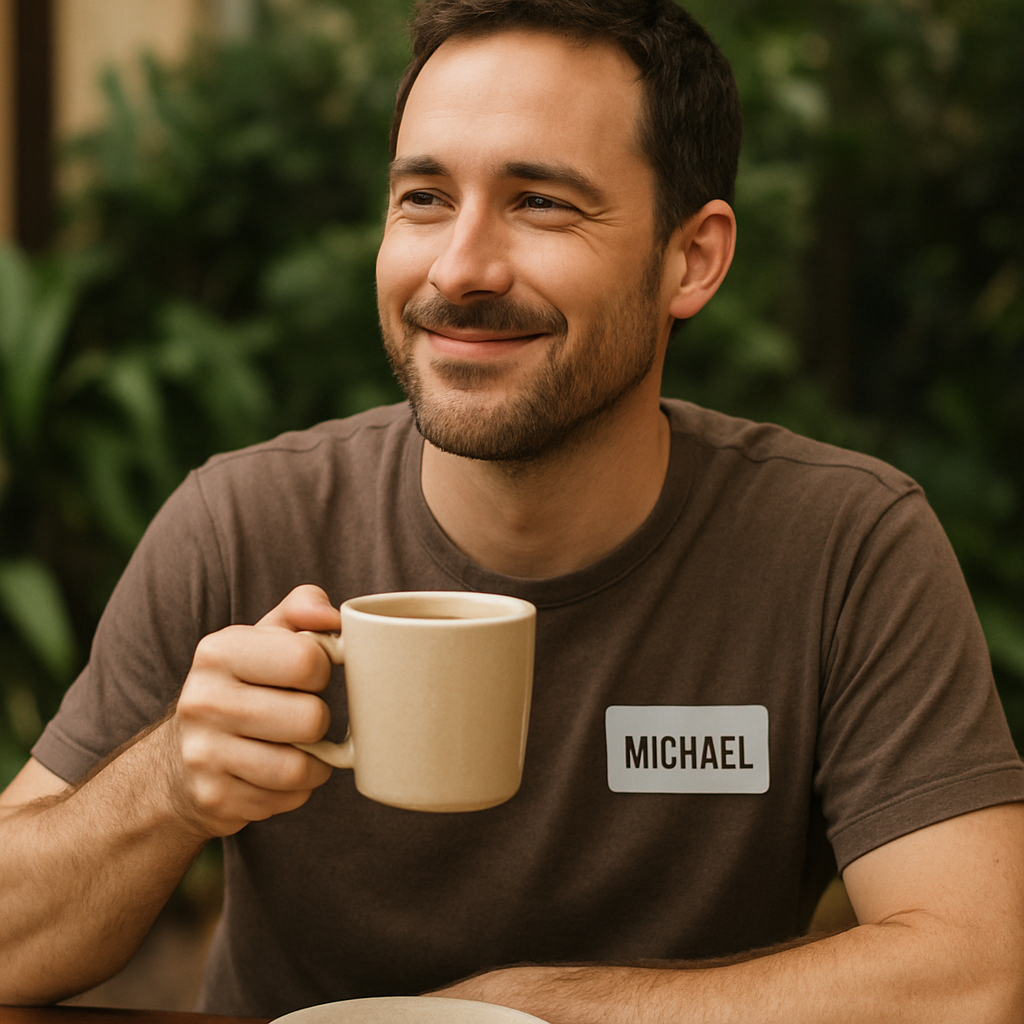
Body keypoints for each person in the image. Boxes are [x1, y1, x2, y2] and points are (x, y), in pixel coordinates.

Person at [2, 0, 1023, 1020]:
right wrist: (169, 783)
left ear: (692, 258)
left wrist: (552, 1011)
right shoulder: (243, 523)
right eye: (423, 198)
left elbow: (979, 966)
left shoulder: (842, 548)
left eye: (540, 202)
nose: (458, 268)